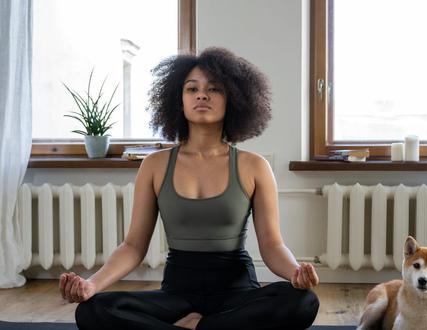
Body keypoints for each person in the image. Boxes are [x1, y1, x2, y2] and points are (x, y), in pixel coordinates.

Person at [59, 47, 320, 330]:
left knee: (303, 302)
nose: (202, 95)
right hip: (176, 295)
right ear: (178, 100)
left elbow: (272, 245)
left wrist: (295, 273)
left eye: (214, 89)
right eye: (191, 88)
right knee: (93, 310)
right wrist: (91, 284)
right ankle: (212, 327)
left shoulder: (254, 166)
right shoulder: (154, 165)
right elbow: (133, 246)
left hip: (237, 294)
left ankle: (199, 326)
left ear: (233, 98)